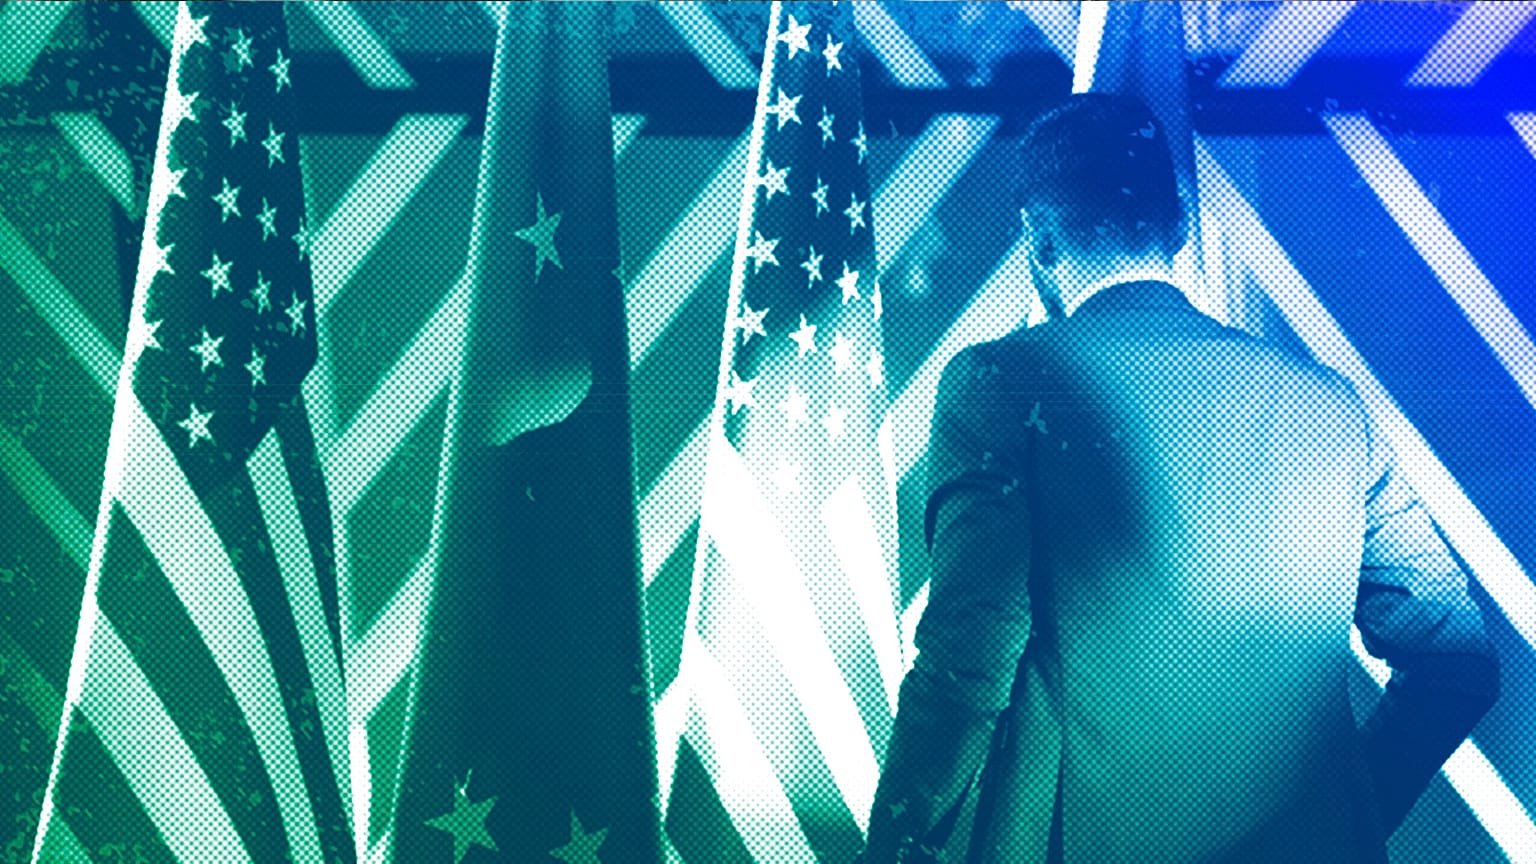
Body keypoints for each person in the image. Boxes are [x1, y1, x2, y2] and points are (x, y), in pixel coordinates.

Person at [859, 93, 1501, 864]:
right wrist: (1342, 814)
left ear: (1037, 240)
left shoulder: (1000, 383)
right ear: (1181, 228)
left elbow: (971, 653)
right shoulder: (1331, 404)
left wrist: (894, 844)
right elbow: (1456, 663)